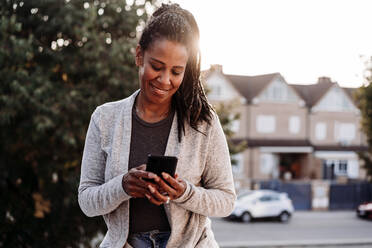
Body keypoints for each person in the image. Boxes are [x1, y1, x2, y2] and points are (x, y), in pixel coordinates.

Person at [78, 3, 235, 248]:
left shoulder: (203, 121)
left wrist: (184, 192)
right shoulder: (104, 119)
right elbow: (87, 202)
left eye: (176, 71)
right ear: (139, 55)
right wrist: (123, 186)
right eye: (157, 67)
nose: (165, 80)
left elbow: (226, 200)